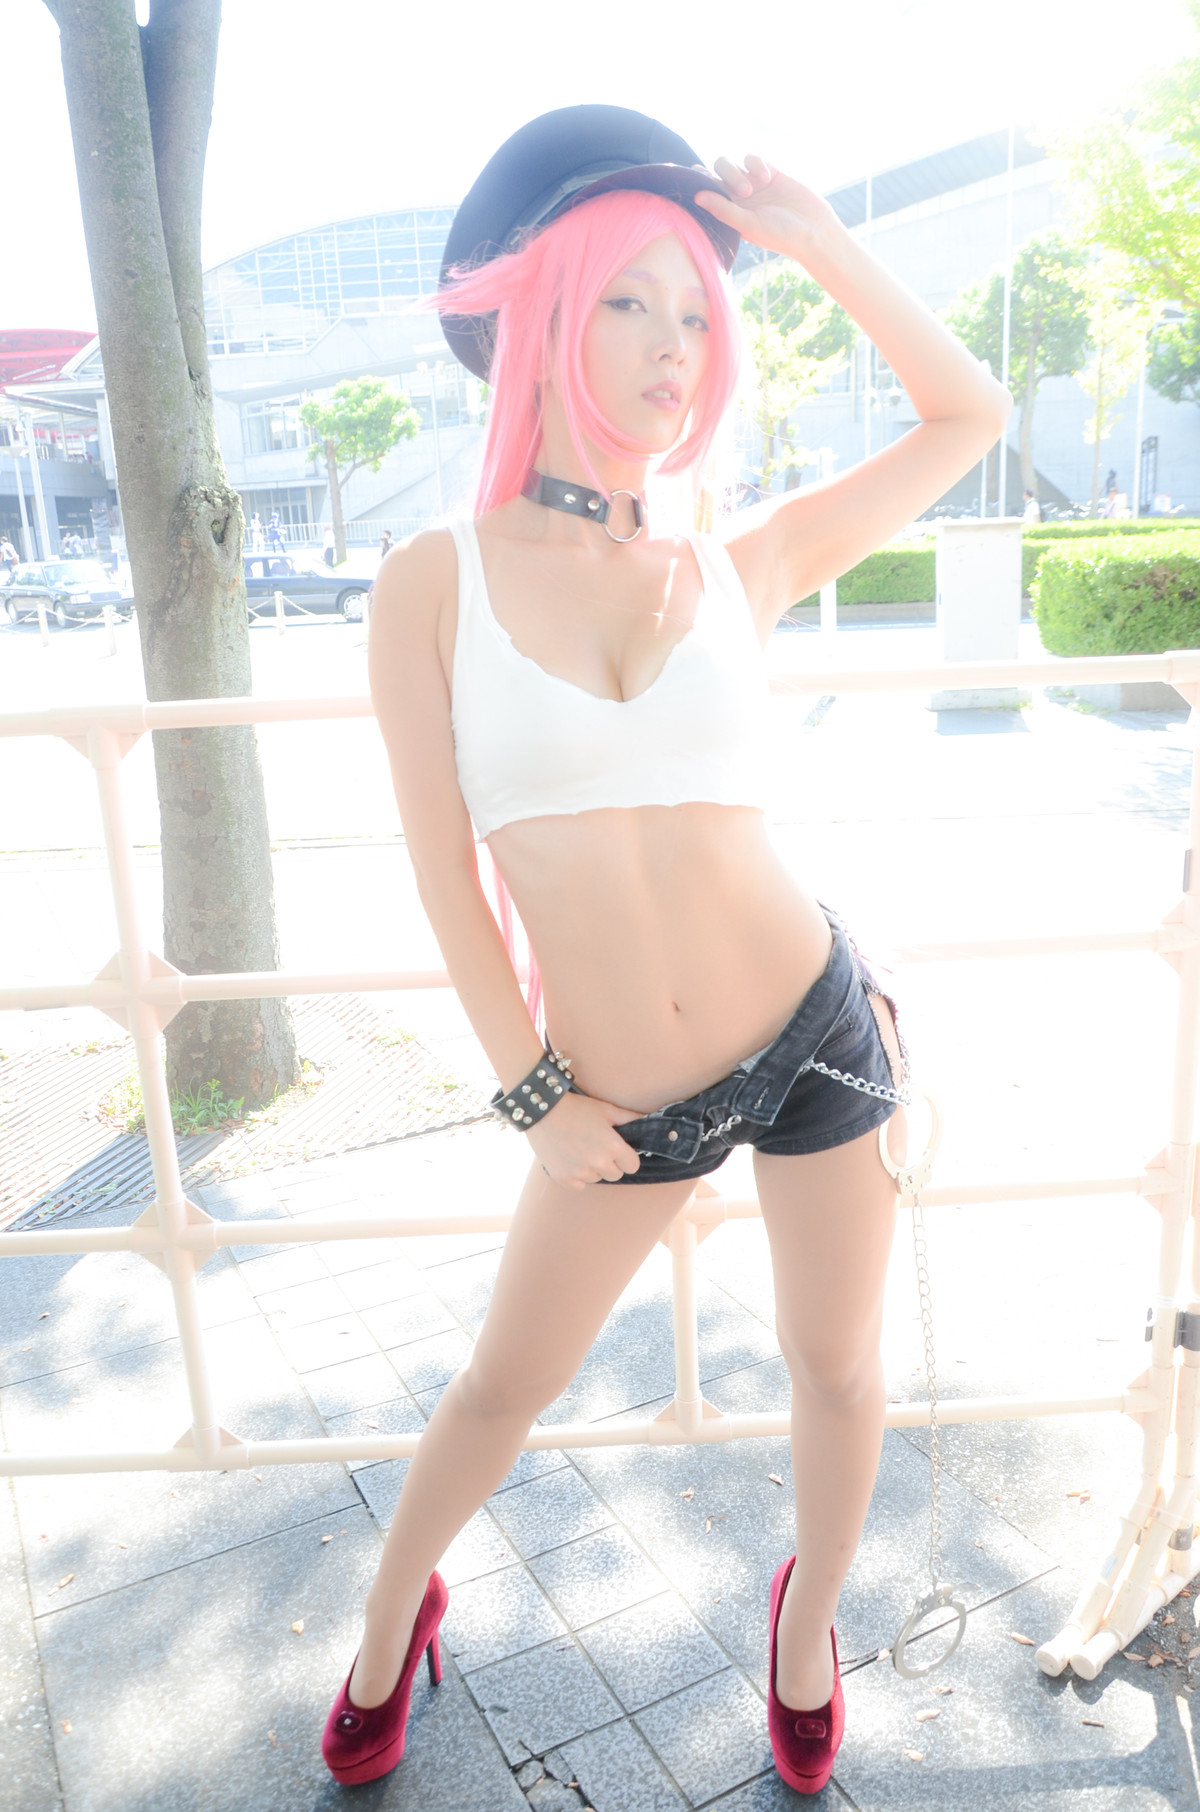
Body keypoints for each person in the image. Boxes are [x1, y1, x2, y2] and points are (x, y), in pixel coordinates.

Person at [325, 106, 1010, 1795]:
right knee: (503, 1384)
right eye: (629, 301)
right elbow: (441, 874)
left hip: (818, 1024)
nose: (669, 345)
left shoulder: (732, 557)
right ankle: (391, 1615)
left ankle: (805, 1624)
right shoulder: (434, 582)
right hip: (620, 1094)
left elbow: (969, 416)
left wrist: (821, 246)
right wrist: (532, 1090)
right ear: (545, 315)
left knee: (835, 1363)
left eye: (697, 312)